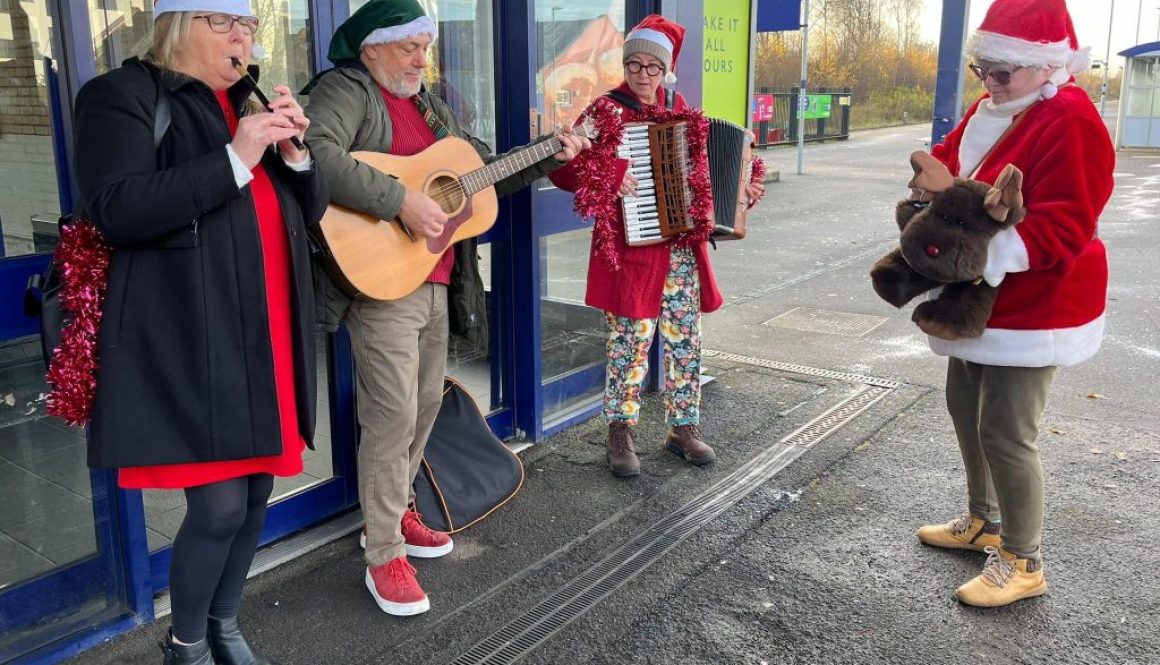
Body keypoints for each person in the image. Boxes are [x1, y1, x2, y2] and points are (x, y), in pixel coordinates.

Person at [302, 0, 588, 617]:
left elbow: (477, 175)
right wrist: (399, 201)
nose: (420, 59)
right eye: (409, 47)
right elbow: (314, 152)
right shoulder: (346, 87)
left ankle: (398, 513)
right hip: (379, 282)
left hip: (434, 277)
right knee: (392, 415)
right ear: (373, 46)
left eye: (425, 48)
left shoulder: (429, 105)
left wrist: (546, 155)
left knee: (425, 403)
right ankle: (382, 554)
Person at [73, 0, 326, 662]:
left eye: (249, 26)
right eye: (227, 23)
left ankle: (225, 622)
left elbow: (310, 209)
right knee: (217, 507)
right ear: (179, 25)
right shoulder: (120, 95)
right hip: (191, 334)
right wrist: (238, 154)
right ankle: (186, 644)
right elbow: (116, 210)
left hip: (264, 328)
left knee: (256, 495)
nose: (243, 37)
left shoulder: (244, 97)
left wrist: (296, 157)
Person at [913, 0, 1114, 608]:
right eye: (982, 70)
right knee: (962, 404)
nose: (990, 83)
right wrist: (928, 175)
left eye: (1003, 72)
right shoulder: (992, 105)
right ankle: (985, 522)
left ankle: (1024, 559)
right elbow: (952, 164)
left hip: (1037, 302)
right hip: (979, 299)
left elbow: (1067, 226)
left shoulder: (1073, 119)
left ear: (1048, 67)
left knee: (1006, 430)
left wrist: (972, 247)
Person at [548, 15, 765, 479]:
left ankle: (681, 427)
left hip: (682, 251)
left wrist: (743, 185)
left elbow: (718, 164)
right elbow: (563, 170)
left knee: (685, 339)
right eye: (634, 64)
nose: (642, 75)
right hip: (632, 251)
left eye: (651, 66)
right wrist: (609, 173)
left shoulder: (681, 108)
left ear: (666, 70)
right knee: (629, 344)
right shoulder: (604, 111)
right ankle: (620, 431)